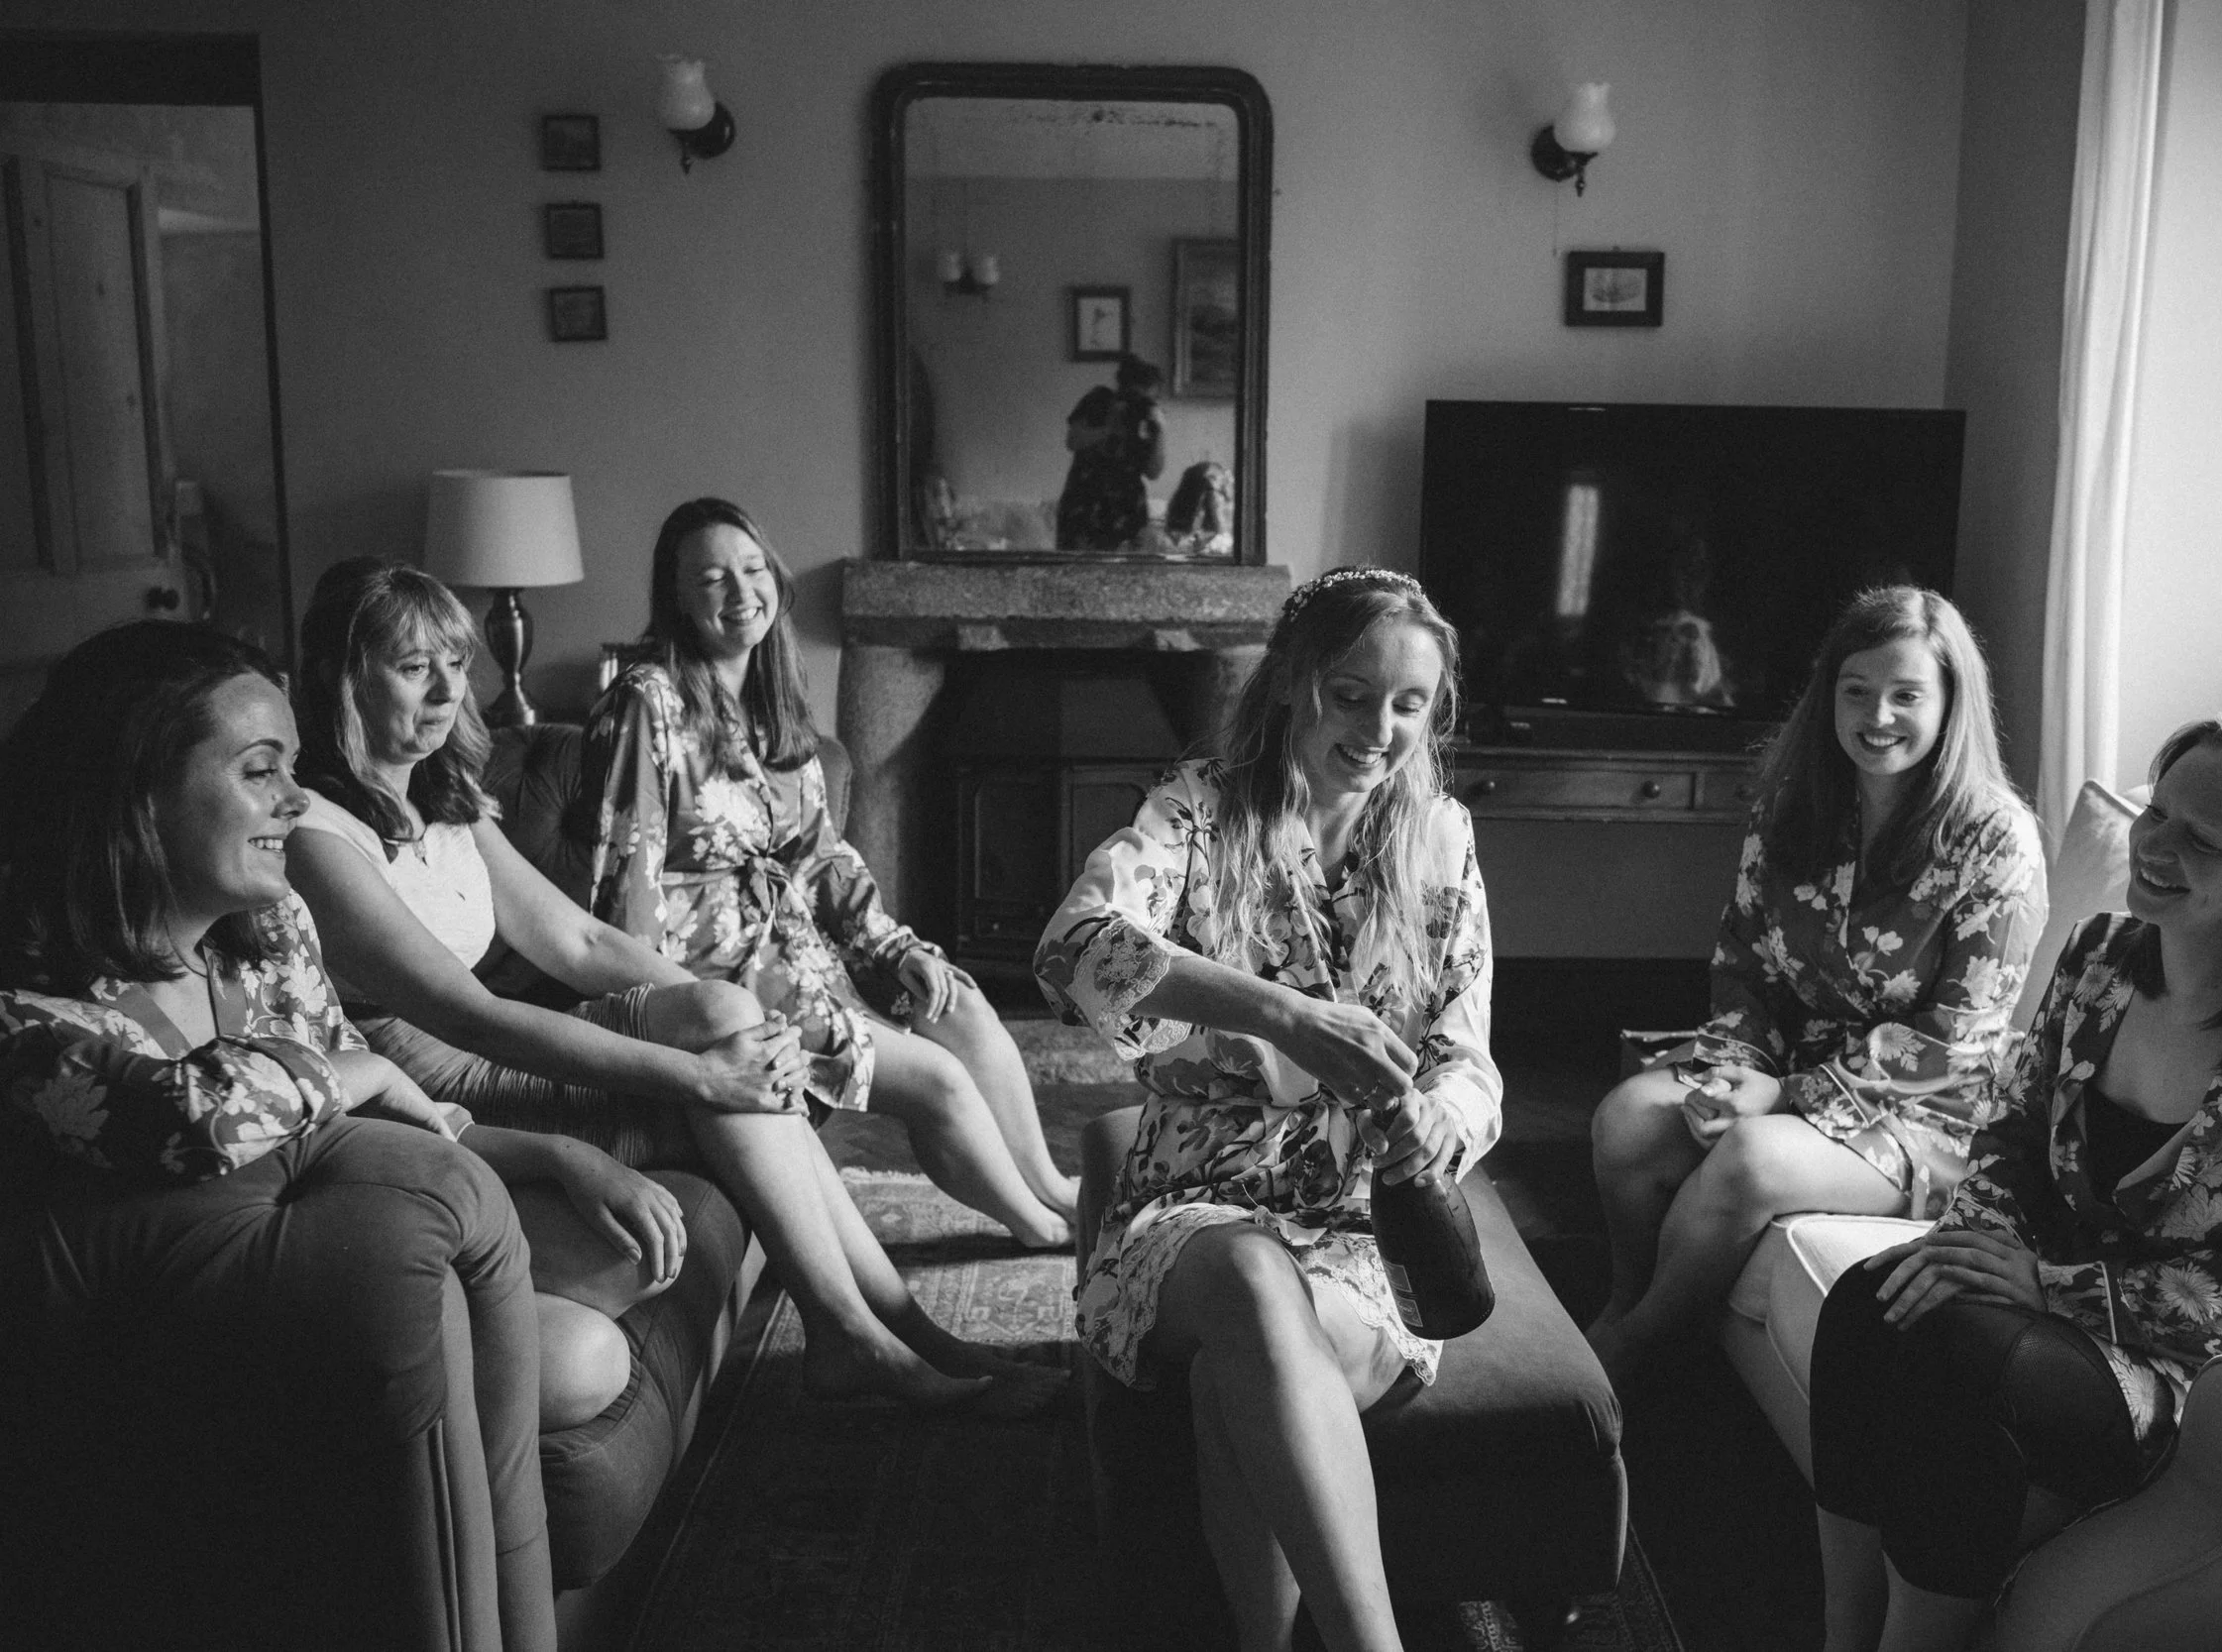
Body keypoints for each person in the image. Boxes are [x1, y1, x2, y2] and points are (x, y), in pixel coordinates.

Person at [288, 560, 1047, 1412]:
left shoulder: (444, 799)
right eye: (412, 666)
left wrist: (742, 1025)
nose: (445, 693)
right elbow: (476, 1017)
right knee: (727, 1058)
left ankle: (890, 1335)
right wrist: (700, 1073)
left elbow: (580, 938)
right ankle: (864, 1335)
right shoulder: (316, 838)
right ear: (344, 677)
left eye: (456, 665)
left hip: (488, 1040)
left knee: (729, 1015)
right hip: (435, 1084)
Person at [0, 621, 556, 1650]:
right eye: (262, 773)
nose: (296, 804)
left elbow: (387, 1114)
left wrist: (561, 1156)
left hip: (353, 1292)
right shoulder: (26, 1008)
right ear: (138, 790)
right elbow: (186, 1116)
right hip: (146, 1399)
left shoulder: (272, 935)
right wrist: (357, 1067)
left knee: (553, 1327)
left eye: (294, 769)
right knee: (528, 1339)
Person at [1807, 716, 2222, 1652]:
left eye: (2202, 839)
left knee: (1956, 1356)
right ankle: (1844, 1632)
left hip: (2208, 1363)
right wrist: (1972, 1250)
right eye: (2155, 810)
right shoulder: (2100, 956)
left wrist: (2051, 1287)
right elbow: (2009, 1130)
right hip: (2045, 1296)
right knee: (1867, 1303)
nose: (2156, 844)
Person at [1038, 566, 1500, 1652]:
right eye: (1350, 693)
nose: (1376, 728)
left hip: (1358, 1237)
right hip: (1189, 1207)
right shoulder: (1198, 808)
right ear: (1294, 681)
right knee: (1248, 1275)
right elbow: (1070, 947)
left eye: (1407, 703)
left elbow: (1472, 1062)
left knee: (1238, 1377)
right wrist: (1288, 1016)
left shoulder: (1442, 839)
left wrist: (1437, 1119)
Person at [579, 498, 1078, 1251]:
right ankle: (1040, 1230)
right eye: (712, 578)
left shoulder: (773, 703)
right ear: (677, 598)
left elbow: (820, 857)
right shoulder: (646, 704)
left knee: (961, 1006)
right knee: (937, 1080)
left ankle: (1054, 1189)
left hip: (809, 953)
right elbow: (625, 877)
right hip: (720, 978)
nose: (740, 592)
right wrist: (662, 1024)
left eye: (752, 569)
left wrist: (895, 949)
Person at [1588, 587, 2047, 1386]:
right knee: (1627, 1119)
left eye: (1908, 695)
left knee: (1751, 1159)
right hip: (1783, 1071)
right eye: (1858, 690)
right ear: (1828, 695)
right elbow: (1744, 964)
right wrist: (1733, 1069)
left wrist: (1783, 1095)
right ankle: (1629, 1304)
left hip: (1932, 1110)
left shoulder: (1994, 838)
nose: (1879, 715)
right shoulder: (1792, 806)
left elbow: (1953, 1041)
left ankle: (1628, 1357)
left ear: (1949, 705)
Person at [1056, 354, 1167, 551]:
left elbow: (1154, 472)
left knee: (1125, 578)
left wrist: (1160, 430)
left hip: (1128, 511)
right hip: (1084, 506)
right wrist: (1108, 428)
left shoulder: (1147, 419)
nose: (1139, 403)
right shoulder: (1099, 400)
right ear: (1123, 388)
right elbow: (1073, 440)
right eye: (1136, 395)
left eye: (1149, 399)